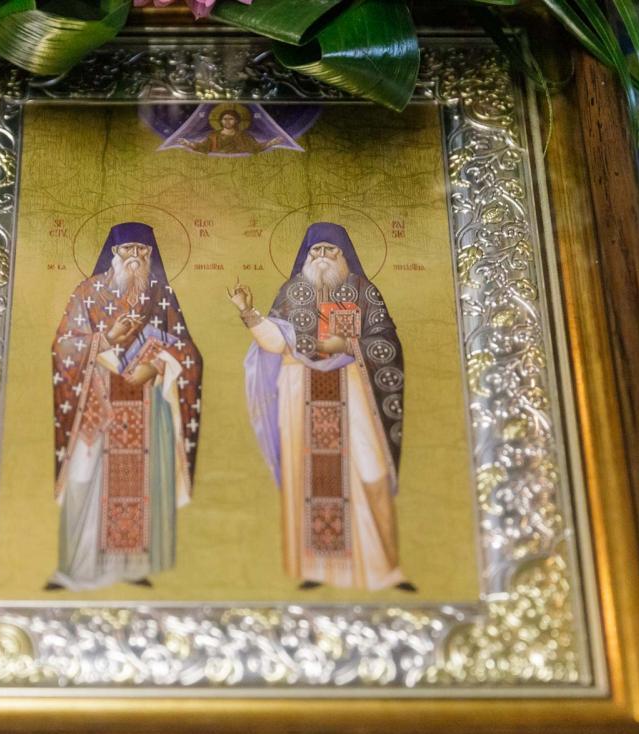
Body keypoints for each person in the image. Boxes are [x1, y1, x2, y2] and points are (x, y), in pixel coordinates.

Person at [231, 222, 413, 591]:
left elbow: (386, 342)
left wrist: (348, 346)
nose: (323, 257)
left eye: (331, 250)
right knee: (310, 477)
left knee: (372, 471)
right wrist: (248, 312)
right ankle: (319, 568)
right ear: (306, 256)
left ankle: (385, 567)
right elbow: (276, 342)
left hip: (353, 390)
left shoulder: (362, 290)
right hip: (302, 393)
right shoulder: (292, 292)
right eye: (317, 250)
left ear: (345, 255)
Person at [48, 222, 202, 591]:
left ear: (151, 254)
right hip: (96, 403)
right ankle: (78, 568)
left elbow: (187, 351)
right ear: (113, 254)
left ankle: (132, 566)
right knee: (86, 480)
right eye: (127, 249)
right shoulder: (87, 292)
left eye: (141, 250)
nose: (134, 257)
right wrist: (105, 340)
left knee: (143, 482)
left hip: (147, 406)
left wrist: (158, 365)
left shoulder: (161, 294)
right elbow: (64, 344)